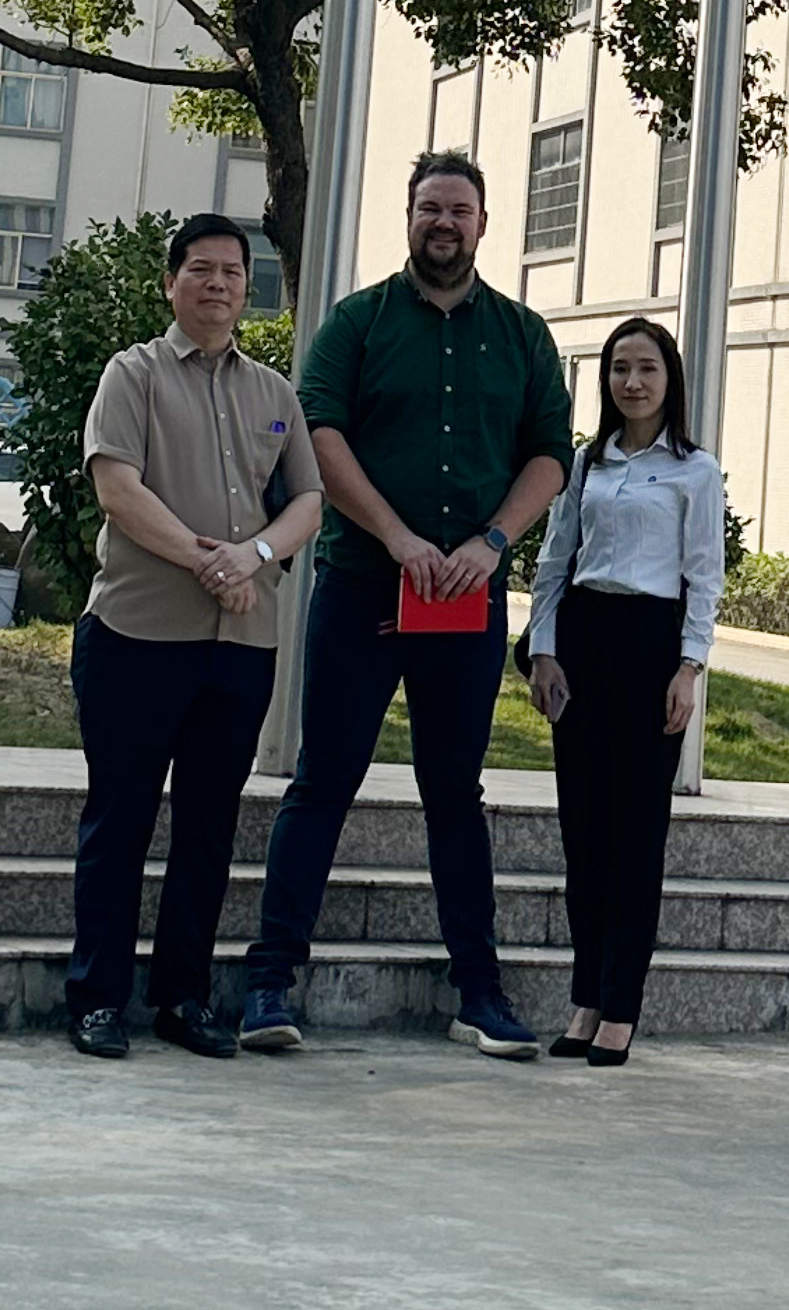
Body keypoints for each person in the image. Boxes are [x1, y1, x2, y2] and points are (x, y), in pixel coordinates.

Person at [237, 148, 573, 1060]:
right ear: (410, 217)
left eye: (460, 210)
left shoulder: (522, 335)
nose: (444, 223)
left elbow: (550, 452)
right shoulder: (358, 322)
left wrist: (490, 542)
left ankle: (480, 993)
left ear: (483, 224)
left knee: (455, 793)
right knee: (323, 781)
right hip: (363, 585)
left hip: (467, 598)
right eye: (431, 208)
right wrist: (396, 537)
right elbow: (318, 433)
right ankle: (269, 982)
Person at [65, 212, 323, 1064]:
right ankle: (97, 999)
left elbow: (307, 502)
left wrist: (253, 556)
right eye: (201, 269)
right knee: (121, 821)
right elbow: (118, 489)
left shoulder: (274, 393)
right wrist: (209, 563)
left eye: (233, 273)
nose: (218, 284)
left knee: (209, 830)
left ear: (249, 289)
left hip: (241, 647)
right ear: (171, 282)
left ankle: (182, 997)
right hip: (137, 635)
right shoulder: (132, 375)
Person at [522, 313, 725, 1068]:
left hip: (650, 649)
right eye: (618, 369)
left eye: (646, 368)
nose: (632, 382)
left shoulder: (695, 471)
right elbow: (554, 561)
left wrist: (688, 667)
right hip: (582, 643)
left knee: (636, 834)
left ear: (670, 379)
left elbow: (704, 577)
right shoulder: (588, 463)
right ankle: (585, 998)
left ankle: (621, 1007)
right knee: (583, 833)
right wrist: (544, 651)